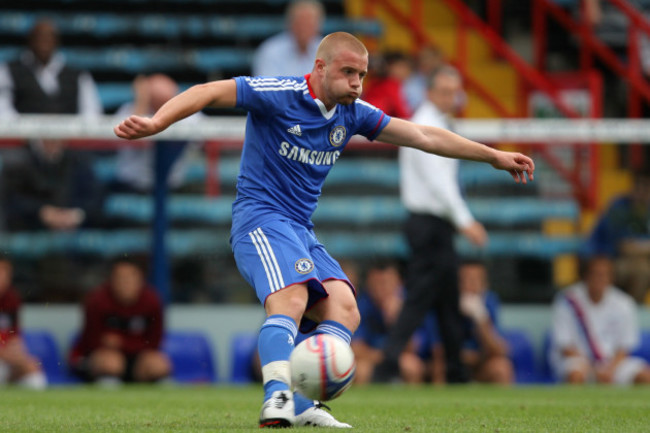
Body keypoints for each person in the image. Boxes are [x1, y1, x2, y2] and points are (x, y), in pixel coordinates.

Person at [114, 31, 534, 428]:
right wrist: (157, 123)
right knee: (292, 297)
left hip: (298, 227)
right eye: (348, 73)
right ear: (319, 67)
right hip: (258, 219)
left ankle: (301, 400)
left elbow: (422, 134)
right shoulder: (278, 93)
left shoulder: (352, 113)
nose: (356, 84)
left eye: (362, 76)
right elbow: (208, 91)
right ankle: (277, 396)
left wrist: (492, 156)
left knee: (345, 306)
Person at [373, 65, 489, 385]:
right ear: (429, 92)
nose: (450, 98)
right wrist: (466, 221)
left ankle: (453, 369)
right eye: (444, 91)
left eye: (454, 92)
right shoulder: (426, 123)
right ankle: (389, 364)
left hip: (435, 224)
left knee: (445, 299)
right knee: (421, 297)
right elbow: (439, 182)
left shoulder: (435, 121)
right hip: (428, 224)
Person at [550, 255, 650, 385]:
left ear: (611, 278)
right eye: (595, 274)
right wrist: (594, 370)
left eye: (603, 275)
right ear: (585, 276)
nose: (599, 279)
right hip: (580, 362)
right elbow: (565, 346)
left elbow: (624, 348)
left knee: (645, 376)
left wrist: (610, 370)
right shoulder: (568, 300)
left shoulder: (624, 303)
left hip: (613, 364)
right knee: (575, 375)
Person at [68, 258, 171, 384]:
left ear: (140, 280)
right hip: (104, 360)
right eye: (121, 278)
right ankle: (107, 390)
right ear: (111, 280)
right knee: (111, 362)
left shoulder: (152, 301)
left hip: (138, 359)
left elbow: (154, 342)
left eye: (130, 278)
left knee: (159, 364)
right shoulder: (96, 301)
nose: (126, 283)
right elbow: (92, 341)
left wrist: (122, 343)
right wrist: (128, 344)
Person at [112, 73, 203, 193]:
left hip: (173, 185)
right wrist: (141, 103)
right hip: (133, 184)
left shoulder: (188, 114)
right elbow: (129, 139)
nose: (164, 106)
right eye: (158, 101)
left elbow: (204, 139)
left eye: (168, 100)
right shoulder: (128, 110)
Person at [0, 19, 102, 118]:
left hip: (68, 133)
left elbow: (91, 113)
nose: (44, 43)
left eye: (49, 38)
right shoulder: (10, 71)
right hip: (24, 133)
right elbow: (4, 110)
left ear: (57, 41)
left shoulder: (78, 75)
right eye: (39, 37)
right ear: (30, 40)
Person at [0, 138, 104, 231]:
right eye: (48, 139)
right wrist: (41, 212)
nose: (53, 143)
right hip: (31, 227)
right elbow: (12, 199)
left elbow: (96, 196)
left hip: (76, 228)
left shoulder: (79, 160)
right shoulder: (20, 162)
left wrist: (78, 214)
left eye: (56, 139)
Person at [351, 260, 426, 384]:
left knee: (412, 366)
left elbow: (414, 348)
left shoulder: (409, 305)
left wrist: (397, 320)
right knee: (360, 370)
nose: (382, 289)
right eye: (377, 283)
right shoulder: (361, 305)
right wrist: (386, 357)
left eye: (387, 283)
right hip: (373, 359)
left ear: (399, 283)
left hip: (400, 359)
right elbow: (356, 349)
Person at [583, 167, 650, 302]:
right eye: (641, 186)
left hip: (634, 261)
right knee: (642, 271)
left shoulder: (646, 210)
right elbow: (625, 247)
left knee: (642, 266)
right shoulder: (619, 208)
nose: (643, 192)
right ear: (634, 187)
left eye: (647, 188)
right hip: (608, 259)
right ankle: (630, 313)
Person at [0, 255, 48, 390]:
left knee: (32, 368)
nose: (2, 277)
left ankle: (34, 408)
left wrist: (18, 353)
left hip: (4, 361)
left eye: (6, 272)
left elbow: (14, 335)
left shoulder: (11, 299)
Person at [252, 0, 325, 77]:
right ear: (290, 23)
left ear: (319, 25)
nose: (304, 29)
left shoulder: (327, 51)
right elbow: (267, 86)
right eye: (300, 23)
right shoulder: (270, 51)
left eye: (309, 24)